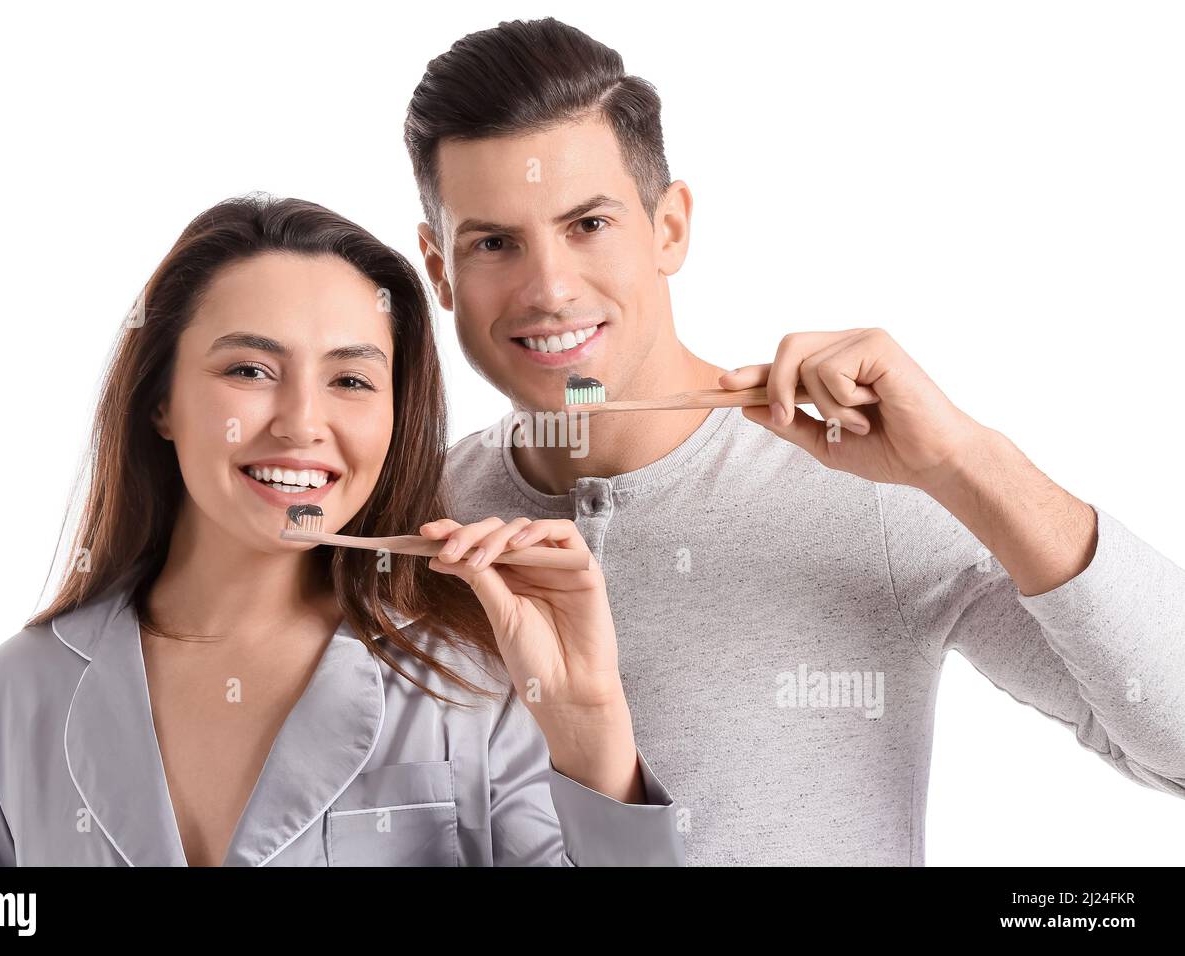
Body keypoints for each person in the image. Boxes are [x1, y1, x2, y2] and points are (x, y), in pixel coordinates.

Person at [404, 17, 1185, 864]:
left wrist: (966, 462)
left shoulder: (869, 484)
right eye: (493, 243)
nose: (549, 288)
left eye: (588, 224)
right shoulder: (418, 523)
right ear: (440, 271)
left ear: (669, 229)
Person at [0, 193, 684, 867]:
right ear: (160, 401)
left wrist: (589, 723)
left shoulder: (474, 686)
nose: (301, 423)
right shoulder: (19, 689)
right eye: (250, 370)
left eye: (351, 381)